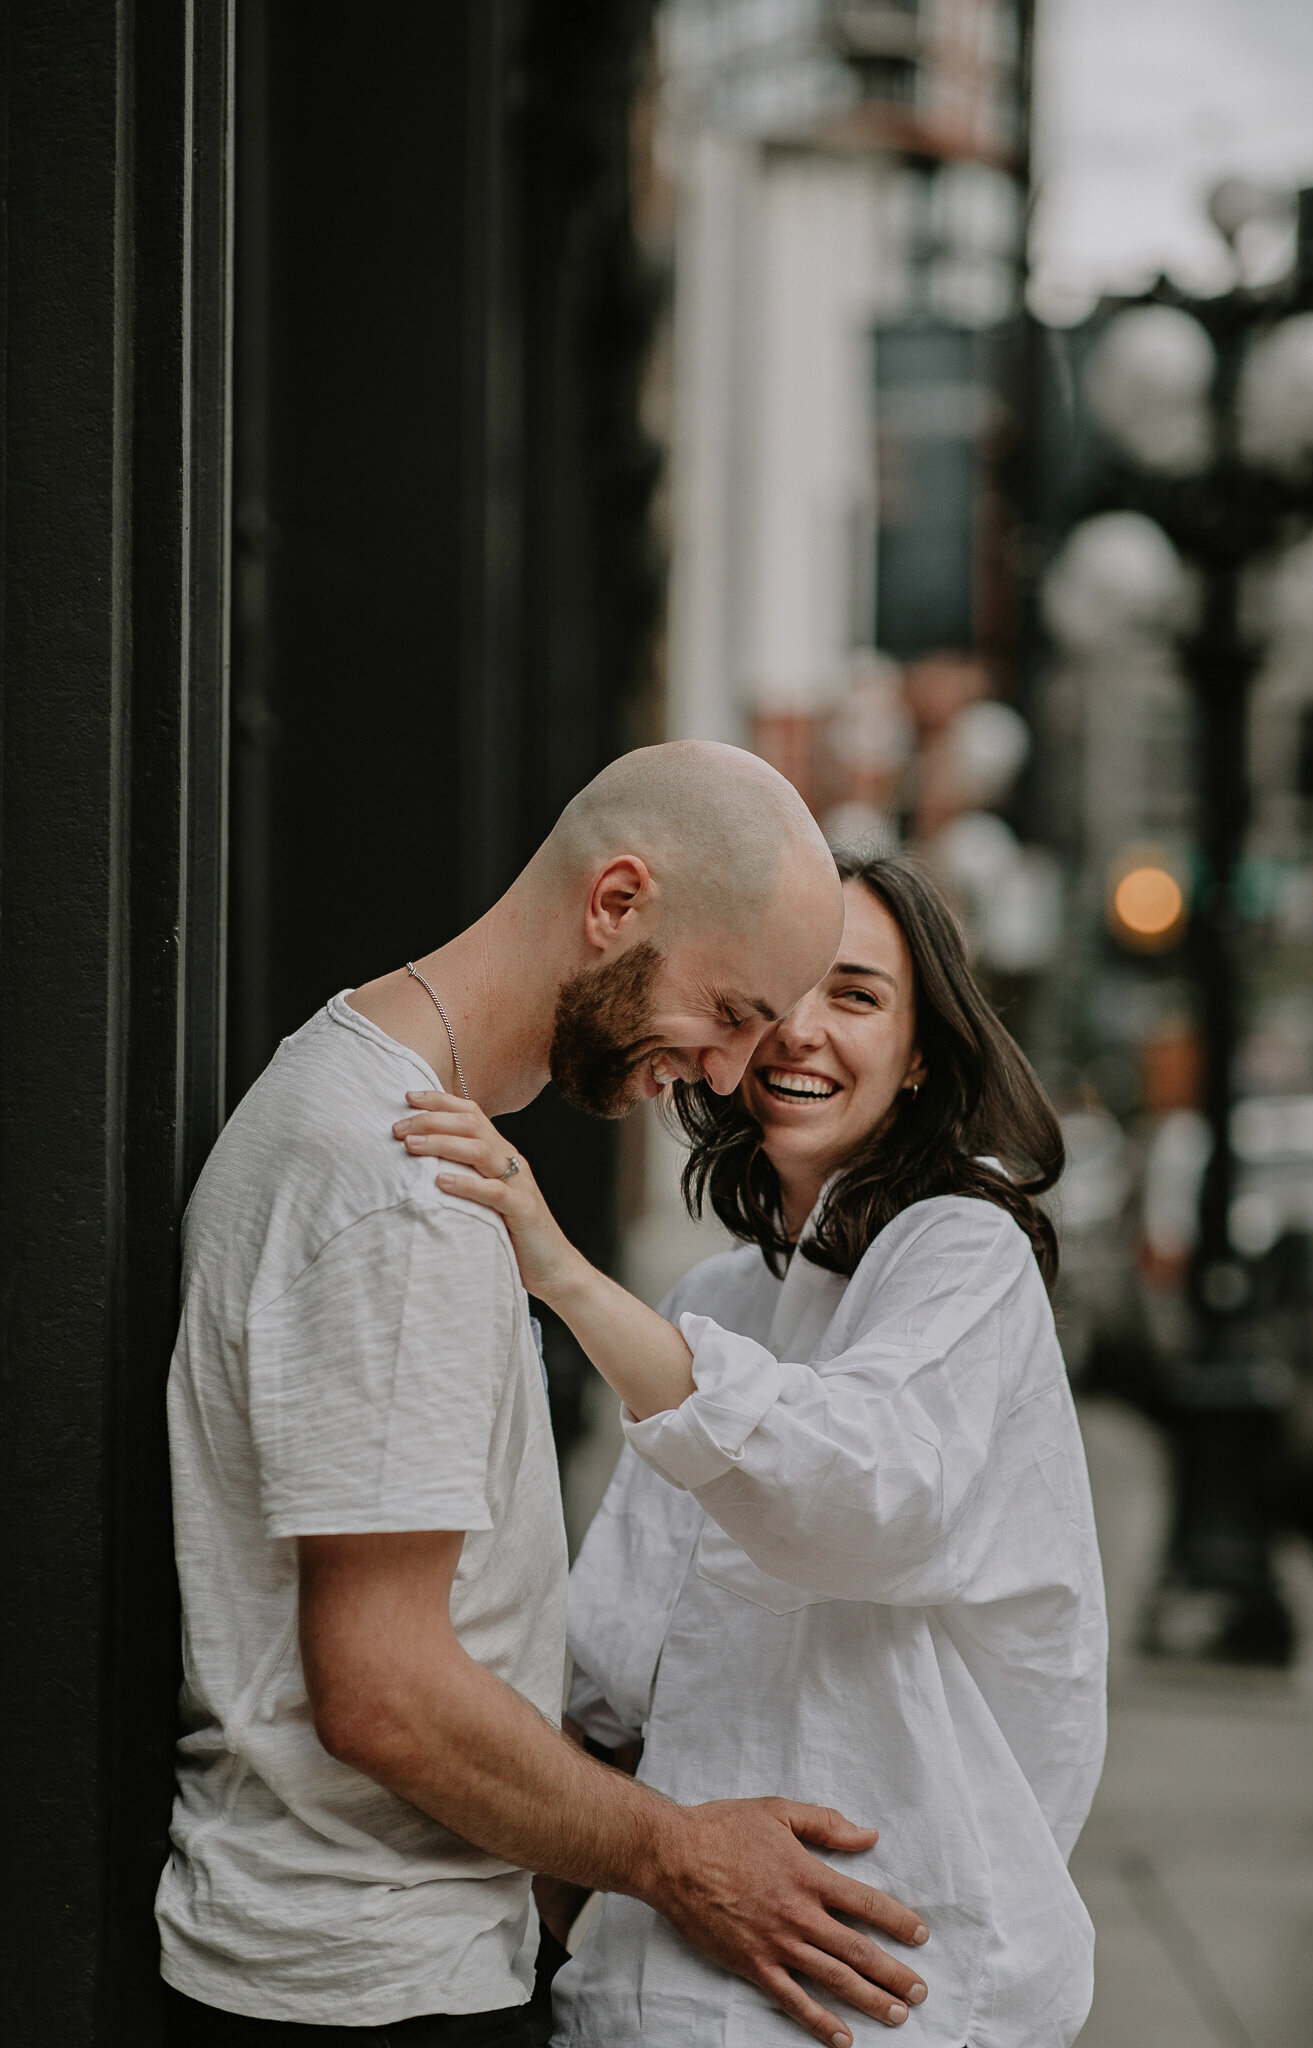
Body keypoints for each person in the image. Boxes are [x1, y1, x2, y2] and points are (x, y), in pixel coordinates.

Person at [158, 747, 933, 2048]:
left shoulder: (384, 1110)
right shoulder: (405, 1190)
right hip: (370, 1984)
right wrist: (684, 1860)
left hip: (367, 1960)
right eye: (735, 1010)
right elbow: (385, 1692)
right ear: (617, 902)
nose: (734, 1071)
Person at [398, 850, 1108, 2048]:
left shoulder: (962, 1254)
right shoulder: (714, 1299)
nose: (802, 1032)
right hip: (655, 1983)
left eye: (859, 995)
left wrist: (557, 1265)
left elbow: (866, 1494)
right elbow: (612, 1681)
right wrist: (558, 1932)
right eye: (778, 993)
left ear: (927, 1049)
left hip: (878, 1992)